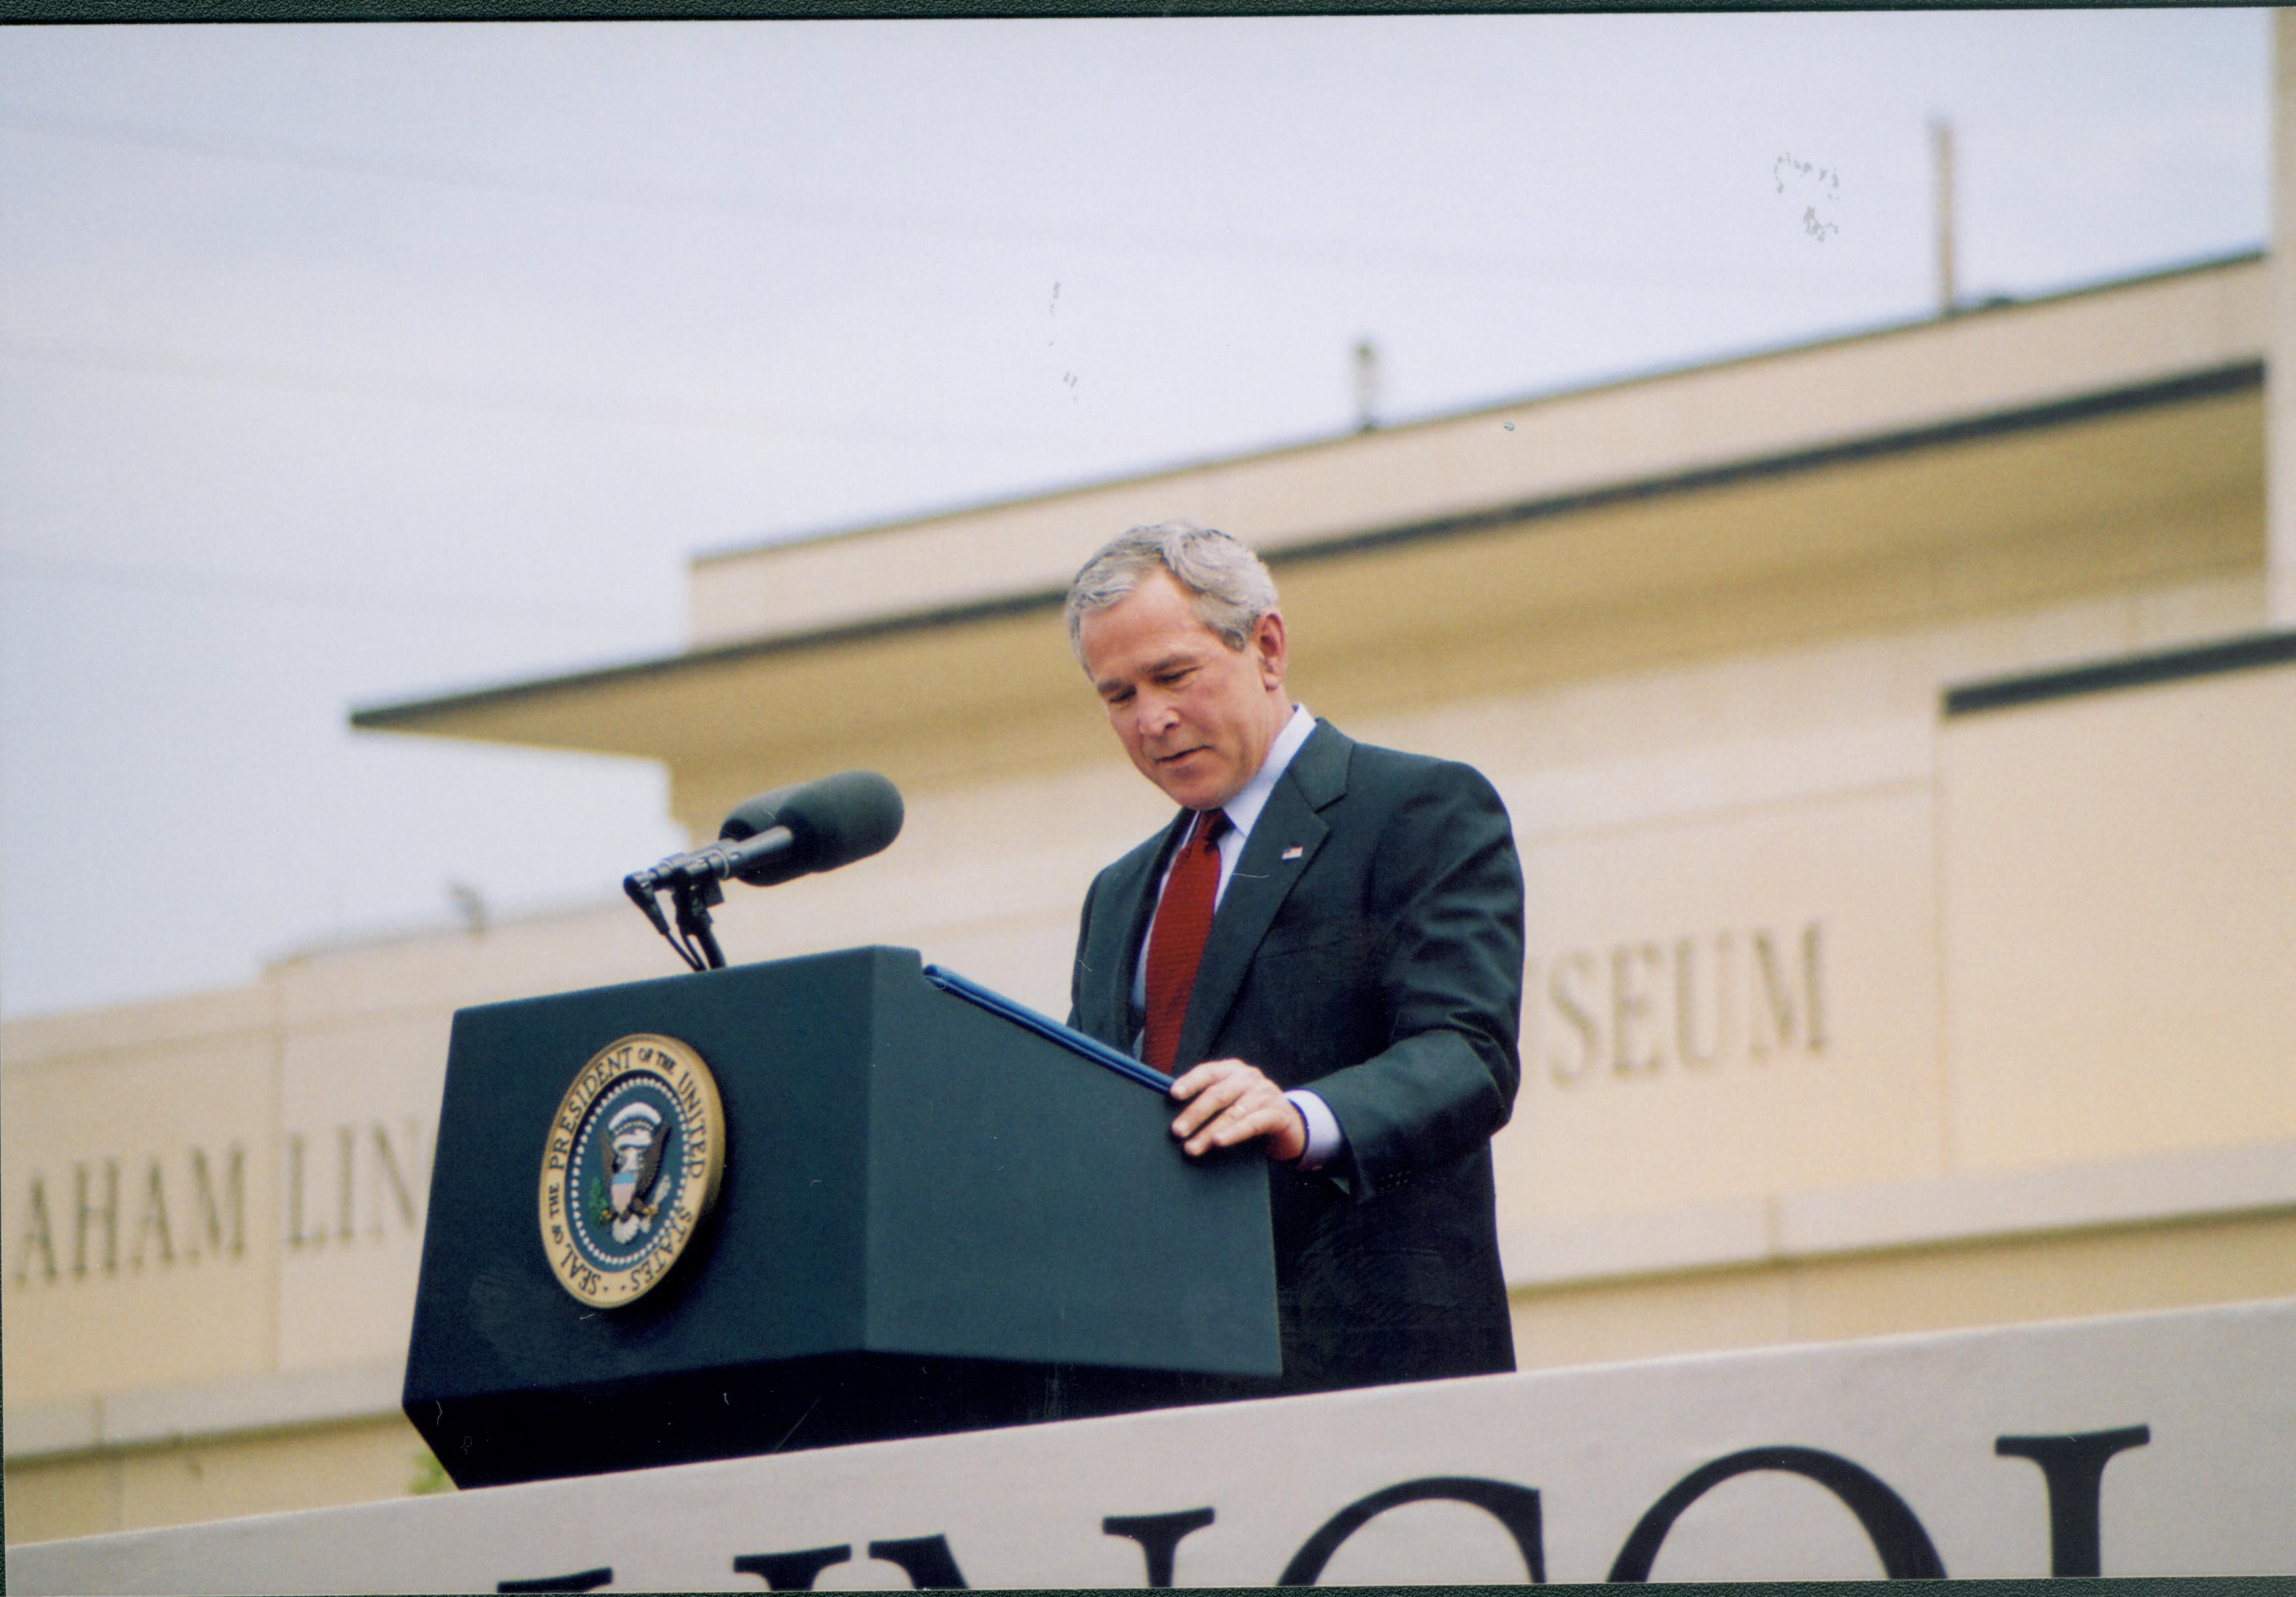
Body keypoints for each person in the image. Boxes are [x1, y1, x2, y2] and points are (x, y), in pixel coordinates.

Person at [1063, 519, 1524, 1394]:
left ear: (1266, 646)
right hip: (1157, 1384)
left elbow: (1468, 1053)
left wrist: (1302, 1118)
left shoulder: (1418, 810)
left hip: (1367, 1383)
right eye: (1117, 696)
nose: (1151, 719)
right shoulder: (1117, 894)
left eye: (1173, 675)